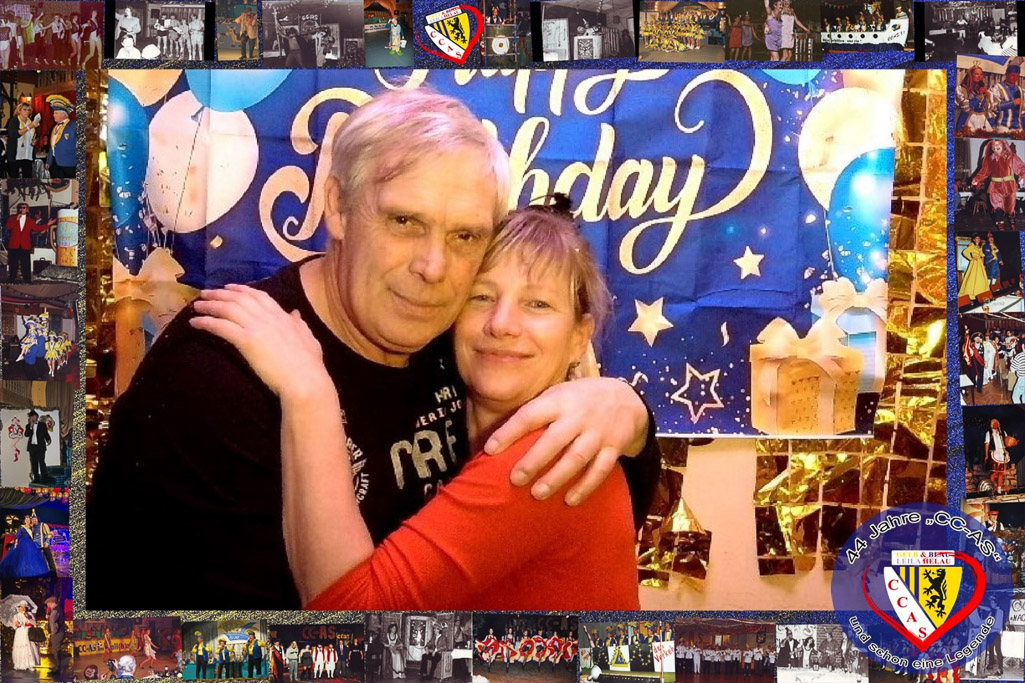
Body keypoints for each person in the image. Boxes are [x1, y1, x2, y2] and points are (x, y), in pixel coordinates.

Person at [88, 88, 659, 609]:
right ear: (338, 207)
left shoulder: (454, 342)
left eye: (465, 236)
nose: (433, 266)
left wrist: (629, 417)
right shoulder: (221, 370)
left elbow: (588, 502)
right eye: (404, 221)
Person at [194, 196, 643, 609]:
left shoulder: (541, 457)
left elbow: (350, 625)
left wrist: (308, 390)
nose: (502, 323)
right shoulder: (452, 401)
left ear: (579, 336)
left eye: (538, 304)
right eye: (482, 297)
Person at [972, 139, 1025, 231]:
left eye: (998, 144)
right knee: (997, 208)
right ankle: (1001, 228)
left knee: (1010, 208)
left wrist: (1022, 176)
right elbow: (984, 172)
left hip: (1009, 186)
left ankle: (1012, 222)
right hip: (995, 187)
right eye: (994, 145)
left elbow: (1021, 168)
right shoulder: (990, 159)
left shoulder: (1011, 156)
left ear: (1003, 144)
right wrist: (977, 180)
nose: (996, 146)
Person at [6, 202, 56, 283]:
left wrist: (47, 224)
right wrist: (16, 220)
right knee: (13, 263)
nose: (22, 209)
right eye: (21, 207)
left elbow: (37, 228)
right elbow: (8, 227)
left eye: (24, 207)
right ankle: (12, 278)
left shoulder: (30, 220)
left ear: (27, 210)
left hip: (25, 245)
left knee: (25, 264)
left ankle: (27, 280)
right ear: (19, 209)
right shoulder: (12, 218)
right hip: (14, 245)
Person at [45, 94, 76, 179]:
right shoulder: (54, 127)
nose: (53, 115)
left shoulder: (73, 125)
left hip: (69, 163)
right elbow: (52, 146)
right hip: (55, 163)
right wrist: (49, 161)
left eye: (56, 113)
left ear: (63, 114)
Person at [7, 102, 39, 179]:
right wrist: (29, 127)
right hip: (16, 154)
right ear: (19, 110)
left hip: (28, 154)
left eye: (29, 110)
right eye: (24, 109)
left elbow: (36, 135)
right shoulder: (14, 120)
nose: (27, 112)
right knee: (14, 179)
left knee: (27, 178)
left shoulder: (31, 121)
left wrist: (35, 141)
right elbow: (14, 134)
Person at [958, 234, 990, 303]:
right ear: (974, 239)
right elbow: (964, 252)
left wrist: (987, 252)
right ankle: (972, 294)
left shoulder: (980, 247)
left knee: (980, 277)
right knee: (973, 277)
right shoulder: (972, 246)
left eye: (979, 238)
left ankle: (980, 293)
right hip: (974, 263)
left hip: (980, 263)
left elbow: (982, 254)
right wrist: (971, 258)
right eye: (976, 238)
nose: (978, 239)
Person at [10, 600, 40, 670]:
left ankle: (30, 664)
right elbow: (14, 626)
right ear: (19, 608)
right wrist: (16, 624)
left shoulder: (30, 614)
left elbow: (35, 623)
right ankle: (19, 664)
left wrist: (28, 618)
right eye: (21, 607)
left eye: (24, 607)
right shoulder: (16, 616)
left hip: (28, 632)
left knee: (29, 648)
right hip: (20, 633)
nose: (23, 608)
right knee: (20, 647)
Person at [986, 418, 1011, 494]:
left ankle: (999, 489)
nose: (996, 425)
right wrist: (986, 455)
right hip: (995, 452)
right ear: (991, 425)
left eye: (997, 423)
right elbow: (987, 444)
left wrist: (1012, 443)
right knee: (994, 472)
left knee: (1001, 472)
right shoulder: (989, 433)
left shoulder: (1003, 432)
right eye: (994, 423)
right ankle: (991, 489)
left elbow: (1007, 443)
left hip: (1002, 452)